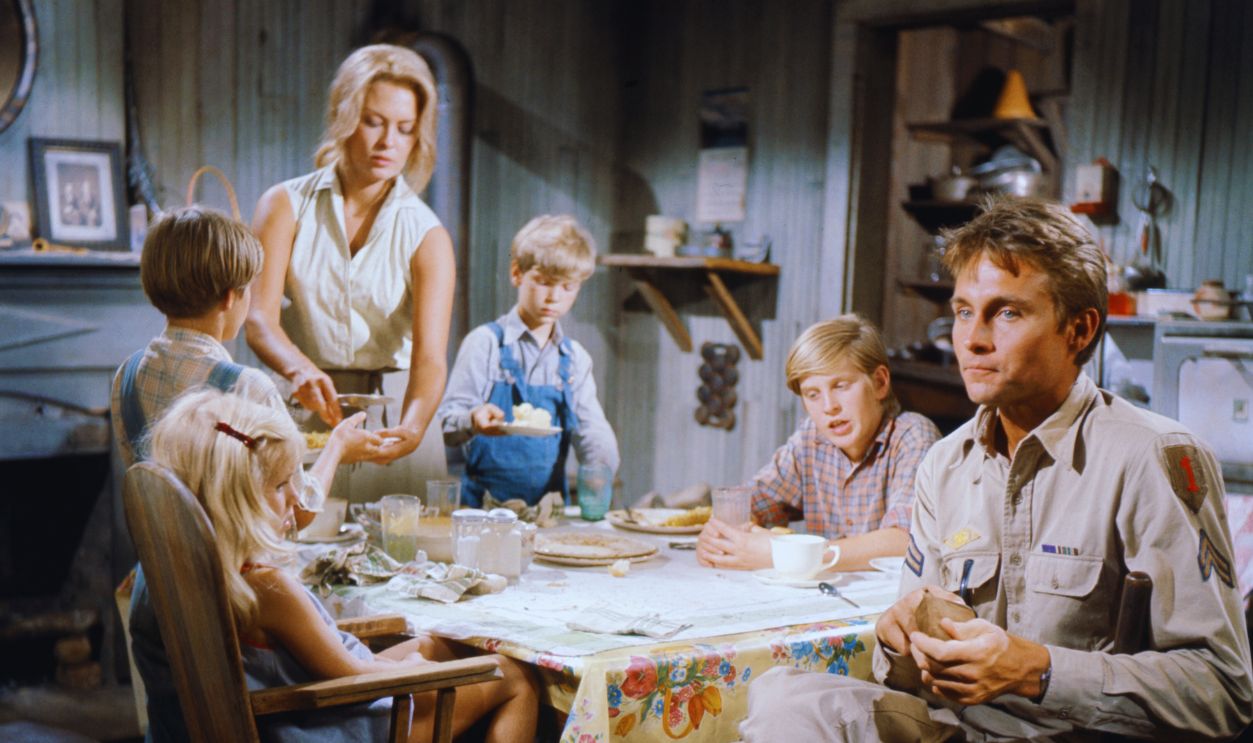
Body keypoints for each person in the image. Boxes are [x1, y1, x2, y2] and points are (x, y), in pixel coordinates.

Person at [739, 198, 1253, 741]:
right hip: (958, 728)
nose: (973, 339)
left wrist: (1038, 671)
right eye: (964, 311)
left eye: (1007, 312)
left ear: (1078, 331)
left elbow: (1222, 691)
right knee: (782, 697)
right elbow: (908, 678)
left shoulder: (1153, 457)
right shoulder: (946, 464)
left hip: (1072, 732)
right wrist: (898, 642)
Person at [130, 388, 540, 742]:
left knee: (442, 645)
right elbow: (353, 677)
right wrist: (416, 670)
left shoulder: (165, 563)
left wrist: (420, 660)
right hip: (321, 726)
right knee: (515, 677)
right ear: (232, 497)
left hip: (290, 708)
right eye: (279, 486)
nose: (296, 497)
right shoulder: (267, 587)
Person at [247, 44, 456, 500]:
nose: (388, 143)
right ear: (344, 116)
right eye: (373, 122)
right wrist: (299, 370)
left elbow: (430, 359)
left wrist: (415, 427)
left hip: (395, 413)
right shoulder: (283, 205)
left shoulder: (428, 235)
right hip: (305, 409)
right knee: (298, 552)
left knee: (403, 563)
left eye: (404, 129)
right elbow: (258, 319)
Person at [696, 315, 940, 571]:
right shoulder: (812, 437)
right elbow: (753, 501)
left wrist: (787, 555)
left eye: (841, 386)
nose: (829, 407)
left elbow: (904, 541)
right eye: (813, 394)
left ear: (879, 383)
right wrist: (723, 535)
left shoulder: (914, 435)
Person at [437, 214, 620, 506]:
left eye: (567, 287)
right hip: (483, 511)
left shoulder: (574, 359)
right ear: (517, 274)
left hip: (549, 513)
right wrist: (472, 420)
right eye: (544, 282)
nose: (554, 298)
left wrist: (600, 470)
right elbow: (446, 423)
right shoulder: (485, 344)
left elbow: (592, 430)